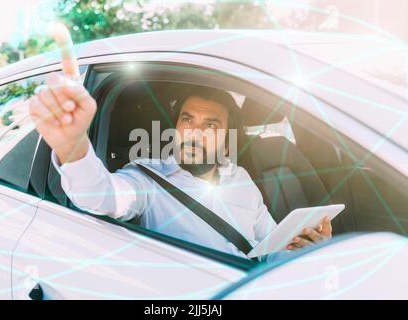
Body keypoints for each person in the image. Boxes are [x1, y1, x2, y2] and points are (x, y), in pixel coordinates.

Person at [28, 25, 332, 261]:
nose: (193, 131)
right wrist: (73, 145)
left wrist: (304, 250)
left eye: (210, 124)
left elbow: (267, 248)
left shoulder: (240, 179)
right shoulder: (147, 177)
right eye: (187, 120)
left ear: (227, 143)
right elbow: (102, 195)